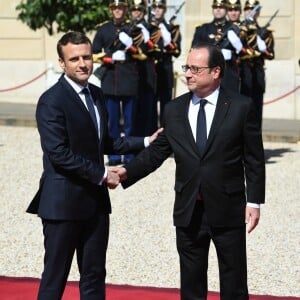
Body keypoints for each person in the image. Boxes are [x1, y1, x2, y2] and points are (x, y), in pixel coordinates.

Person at [112, 43, 265, 300]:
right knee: (191, 282)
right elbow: (158, 151)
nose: (188, 74)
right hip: (189, 207)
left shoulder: (240, 107)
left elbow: (254, 158)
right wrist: (127, 172)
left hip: (228, 206)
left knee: (234, 280)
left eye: (195, 69)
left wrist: (254, 201)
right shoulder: (174, 109)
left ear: (216, 72)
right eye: (186, 67)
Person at [26, 31, 161, 300]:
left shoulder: (97, 95)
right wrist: (102, 174)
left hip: (95, 205)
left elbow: (105, 142)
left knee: (94, 276)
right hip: (62, 204)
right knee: (55, 278)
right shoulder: (51, 101)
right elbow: (59, 154)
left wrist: (146, 140)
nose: (82, 64)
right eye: (74, 59)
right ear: (62, 63)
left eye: (86, 57)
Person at [92, 0, 142, 165]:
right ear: (111, 10)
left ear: (126, 10)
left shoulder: (135, 29)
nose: (118, 11)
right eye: (115, 8)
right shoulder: (103, 29)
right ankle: (113, 155)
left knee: (130, 123)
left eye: (121, 8)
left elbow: (144, 54)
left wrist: (131, 47)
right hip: (110, 80)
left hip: (129, 79)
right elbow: (93, 53)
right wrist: (109, 58)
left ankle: (129, 154)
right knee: (112, 122)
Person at [191, 0, 244, 92]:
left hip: (228, 75)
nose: (218, 10)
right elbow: (194, 52)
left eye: (221, 7)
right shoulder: (203, 29)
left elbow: (243, 54)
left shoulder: (235, 29)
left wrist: (235, 50)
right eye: (216, 7)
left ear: (226, 9)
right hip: (207, 76)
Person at [239, 0, 275, 129]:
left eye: (253, 10)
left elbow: (270, 55)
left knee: (256, 111)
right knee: (240, 113)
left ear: (258, 13)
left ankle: (255, 146)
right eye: (248, 10)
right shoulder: (238, 30)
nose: (250, 12)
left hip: (257, 75)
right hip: (241, 75)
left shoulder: (265, 33)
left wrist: (263, 48)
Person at [129, 0, 161, 137]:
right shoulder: (126, 28)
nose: (137, 12)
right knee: (130, 112)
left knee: (147, 109)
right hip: (129, 74)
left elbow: (156, 49)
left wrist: (147, 41)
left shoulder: (151, 28)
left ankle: (146, 141)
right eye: (134, 10)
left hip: (147, 73)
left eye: (139, 10)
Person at [151, 0, 181, 125]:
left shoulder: (172, 28)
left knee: (166, 104)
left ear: (164, 10)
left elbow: (177, 51)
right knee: (149, 105)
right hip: (151, 70)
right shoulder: (147, 27)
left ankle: (165, 132)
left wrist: (168, 40)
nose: (157, 10)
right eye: (155, 7)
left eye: (160, 7)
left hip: (166, 67)